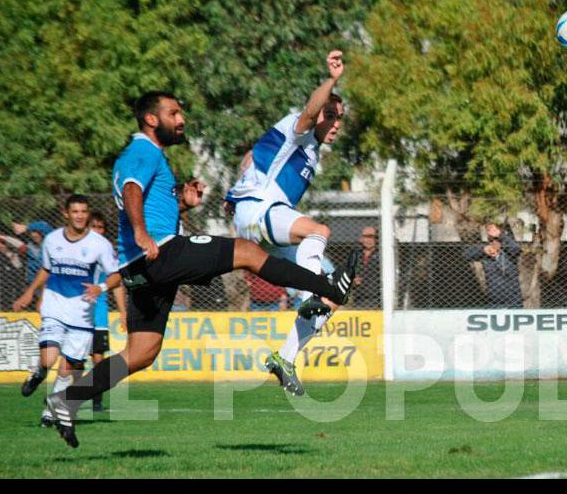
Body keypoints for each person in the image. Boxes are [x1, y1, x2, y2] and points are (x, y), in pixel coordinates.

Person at [44, 91, 356, 448]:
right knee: (247, 251)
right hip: (161, 253)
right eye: (174, 113)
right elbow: (131, 190)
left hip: (140, 266)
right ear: (151, 119)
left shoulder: (150, 156)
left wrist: (182, 204)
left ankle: (67, 399)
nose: (181, 119)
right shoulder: (143, 151)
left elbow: (144, 200)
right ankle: (325, 288)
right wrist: (142, 233)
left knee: (142, 352)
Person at [224, 50, 359, 397]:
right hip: (258, 211)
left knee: (332, 299)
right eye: (331, 115)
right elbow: (309, 111)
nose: (336, 123)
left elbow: (252, 160)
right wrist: (331, 80)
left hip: (263, 223)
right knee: (320, 232)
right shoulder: (297, 130)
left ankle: (284, 359)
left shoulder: (310, 152)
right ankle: (313, 288)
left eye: (340, 118)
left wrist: (240, 180)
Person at [12, 195, 121, 427]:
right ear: (66, 213)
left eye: (84, 211)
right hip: (55, 305)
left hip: (82, 313)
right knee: (49, 358)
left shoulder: (99, 244)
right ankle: (39, 372)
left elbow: (116, 275)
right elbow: (46, 269)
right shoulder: (51, 240)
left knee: (67, 368)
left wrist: (100, 287)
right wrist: (31, 292)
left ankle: (50, 413)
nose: (80, 216)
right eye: (75, 211)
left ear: (88, 214)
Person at [87, 212, 128, 412]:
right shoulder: (78, 248)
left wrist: (123, 312)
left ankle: (96, 401)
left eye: (101, 227)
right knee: (74, 360)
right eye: (94, 226)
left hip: (99, 314)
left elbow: (117, 283)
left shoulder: (108, 252)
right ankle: (69, 397)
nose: (98, 231)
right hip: (77, 313)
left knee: (98, 359)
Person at [462, 223, 523, 308]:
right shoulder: (486, 254)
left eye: (497, 240)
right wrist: (483, 250)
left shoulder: (509, 253)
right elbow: (466, 255)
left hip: (513, 300)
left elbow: (516, 249)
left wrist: (500, 235)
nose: (494, 243)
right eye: (491, 241)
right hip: (493, 301)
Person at [353, 226, 381, 308]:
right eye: (366, 237)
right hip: (358, 298)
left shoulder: (381, 255)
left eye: (372, 237)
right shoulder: (356, 255)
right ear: (361, 239)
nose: (369, 240)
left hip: (377, 299)